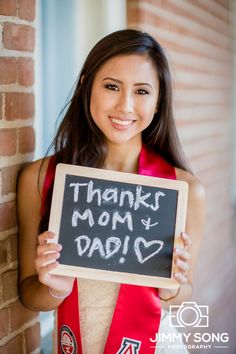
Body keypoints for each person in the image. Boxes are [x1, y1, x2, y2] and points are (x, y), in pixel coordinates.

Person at [17, 29, 206, 354]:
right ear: (86, 84)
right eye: (111, 86)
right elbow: (28, 294)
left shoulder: (183, 190)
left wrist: (174, 284)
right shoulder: (43, 178)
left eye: (142, 91)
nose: (125, 105)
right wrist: (55, 287)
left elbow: (179, 297)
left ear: (159, 101)